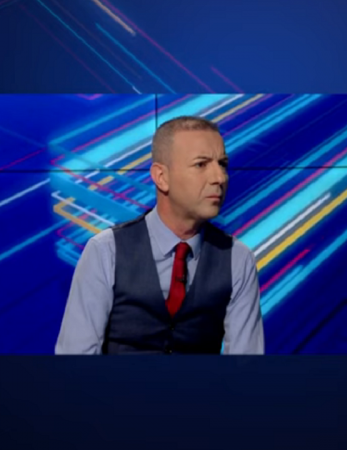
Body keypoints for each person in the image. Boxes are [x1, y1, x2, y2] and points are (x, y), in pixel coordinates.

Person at [56, 116, 264, 354]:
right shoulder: (105, 251)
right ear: (161, 177)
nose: (219, 178)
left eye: (222, 164)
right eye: (201, 164)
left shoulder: (237, 258)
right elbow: (76, 358)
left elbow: (245, 365)